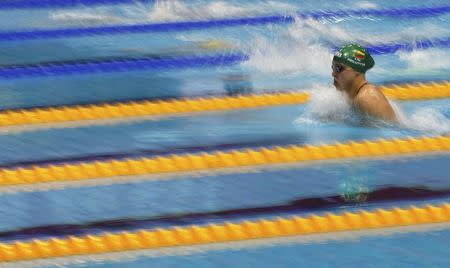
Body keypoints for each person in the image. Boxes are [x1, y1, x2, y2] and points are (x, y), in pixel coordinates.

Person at [332, 44, 397, 122]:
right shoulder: (353, 96)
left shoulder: (367, 98)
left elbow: (388, 131)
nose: (333, 74)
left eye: (339, 68)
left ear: (357, 70)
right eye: (333, 68)